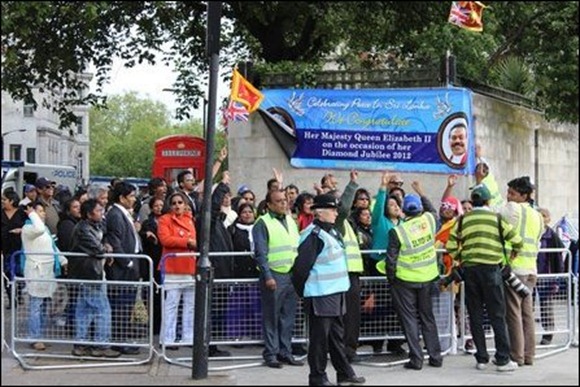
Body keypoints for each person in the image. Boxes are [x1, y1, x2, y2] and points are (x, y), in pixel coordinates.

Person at [292, 193, 366, 386]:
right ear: (319, 213)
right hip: (320, 294)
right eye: (332, 209)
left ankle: (344, 374)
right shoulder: (314, 235)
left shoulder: (331, 232)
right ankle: (317, 378)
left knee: (336, 338)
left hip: (335, 293)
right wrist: (304, 292)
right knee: (319, 341)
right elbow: (300, 269)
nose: (336, 213)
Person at [446, 184, 522, 372]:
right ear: (488, 201)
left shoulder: (463, 220)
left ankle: (481, 358)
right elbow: (517, 240)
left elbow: (450, 244)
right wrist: (512, 256)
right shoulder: (496, 218)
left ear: (473, 201)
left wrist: (460, 257)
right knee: (497, 315)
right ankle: (503, 359)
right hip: (491, 271)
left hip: (470, 271)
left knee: (475, 315)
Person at [382, 193, 443, 370]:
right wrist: (423, 193)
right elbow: (432, 210)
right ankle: (435, 356)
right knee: (428, 319)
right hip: (427, 279)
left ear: (403, 211)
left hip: (404, 281)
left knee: (409, 321)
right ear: (420, 208)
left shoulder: (398, 231)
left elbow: (390, 260)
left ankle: (416, 359)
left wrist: (391, 280)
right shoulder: (430, 221)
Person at [252, 188, 303, 368]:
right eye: (279, 201)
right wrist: (267, 275)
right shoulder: (262, 223)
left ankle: (285, 351)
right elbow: (261, 252)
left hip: (290, 274)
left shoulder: (289, 219)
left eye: (285, 200)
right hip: (274, 274)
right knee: (271, 317)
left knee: (288, 317)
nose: (284, 203)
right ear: (269, 205)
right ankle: (271, 353)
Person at [500, 176, 544, 367]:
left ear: (523, 195)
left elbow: (497, 217)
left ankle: (516, 356)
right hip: (531, 269)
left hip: (515, 268)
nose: (508, 197)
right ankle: (529, 355)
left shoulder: (514, 209)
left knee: (513, 313)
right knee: (527, 313)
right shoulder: (538, 215)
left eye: (512, 193)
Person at [69, 199, 120, 358]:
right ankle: (101, 344)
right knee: (102, 309)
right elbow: (97, 249)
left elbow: (102, 242)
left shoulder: (95, 226)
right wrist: (106, 249)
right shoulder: (83, 229)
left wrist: (106, 247)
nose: (102, 213)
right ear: (89, 213)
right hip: (89, 273)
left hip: (95, 271)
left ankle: (81, 343)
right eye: (99, 211)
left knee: (84, 309)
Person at [21, 200, 68, 351]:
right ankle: (34, 337)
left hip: (47, 272)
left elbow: (53, 248)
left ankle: (39, 335)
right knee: (36, 306)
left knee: (43, 307)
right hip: (36, 272)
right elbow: (39, 229)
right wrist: (33, 215)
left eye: (42, 211)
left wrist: (63, 261)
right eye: (40, 211)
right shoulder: (28, 228)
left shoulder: (44, 228)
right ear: (32, 212)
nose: (43, 214)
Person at [104, 181, 142, 355]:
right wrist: (127, 262)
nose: (134, 199)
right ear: (122, 197)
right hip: (122, 268)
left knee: (128, 305)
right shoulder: (115, 214)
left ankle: (124, 337)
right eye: (131, 196)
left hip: (131, 263)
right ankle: (119, 341)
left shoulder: (124, 213)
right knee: (121, 305)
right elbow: (115, 241)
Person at [157, 191, 197, 349]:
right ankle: (167, 338)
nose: (177, 205)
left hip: (189, 266)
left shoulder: (189, 219)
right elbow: (165, 239)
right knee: (171, 304)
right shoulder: (164, 219)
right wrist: (187, 242)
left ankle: (188, 337)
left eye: (180, 202)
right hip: (173, 266)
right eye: (174, 203)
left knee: (190, 305)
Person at [536, 208, 565, 345]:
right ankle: (526, 333)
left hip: (547, 276)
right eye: (539, 215)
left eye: (544, 216)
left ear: (549, 219)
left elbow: (558, 257)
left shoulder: (552, 236)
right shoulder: (532, 232)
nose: (542, 218)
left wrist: (557, 278)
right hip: (531, 274)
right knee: (527, 305)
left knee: (546, 305)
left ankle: (548, 333)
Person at [1, 189, 27, 309]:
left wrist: (21, 230)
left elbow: (29, 226)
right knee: (7, 274)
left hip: (19, 249)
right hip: (5, 250)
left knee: (19, 272)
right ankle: (12, 300)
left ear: (12, 201)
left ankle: (19, 294)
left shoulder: (21, 213)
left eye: (4, 199)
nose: (2, 202)